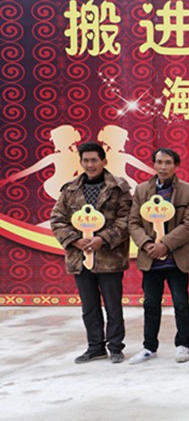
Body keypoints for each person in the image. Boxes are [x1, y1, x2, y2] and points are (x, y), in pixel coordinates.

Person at [50, 141, 132, 364]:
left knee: (113, 306)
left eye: (94, 160)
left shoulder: (118, 188)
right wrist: (75, 241)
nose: (90, 164)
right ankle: (95, 347)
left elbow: (126, 220)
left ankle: (115, 347)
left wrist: (102, 238)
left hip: (109, 258)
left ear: (104, 161)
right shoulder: (70, 190)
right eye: (85, 160)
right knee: (89, 306)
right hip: (80, 257)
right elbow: (57, 220)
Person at [127, 148, 189, 365]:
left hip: (176, 258)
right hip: (150, 258)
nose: (163, 167)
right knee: (150, 304)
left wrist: (165, 244)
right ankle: (149, 347)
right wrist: (147, 244)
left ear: (176, 165)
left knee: (180, 303)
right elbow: (133, 222)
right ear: (154, 164)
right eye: (159, 162)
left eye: (168, 162)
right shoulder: (141, 190)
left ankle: (183, 345)